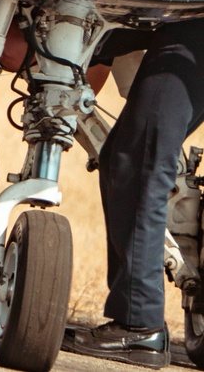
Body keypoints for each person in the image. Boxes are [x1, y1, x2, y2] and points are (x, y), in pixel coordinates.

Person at [63, 18, 204, 369]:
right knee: (125, 157)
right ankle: (136, 319)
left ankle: (138, 323)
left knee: (139, 160)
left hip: (192, 28)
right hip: (184, 28)